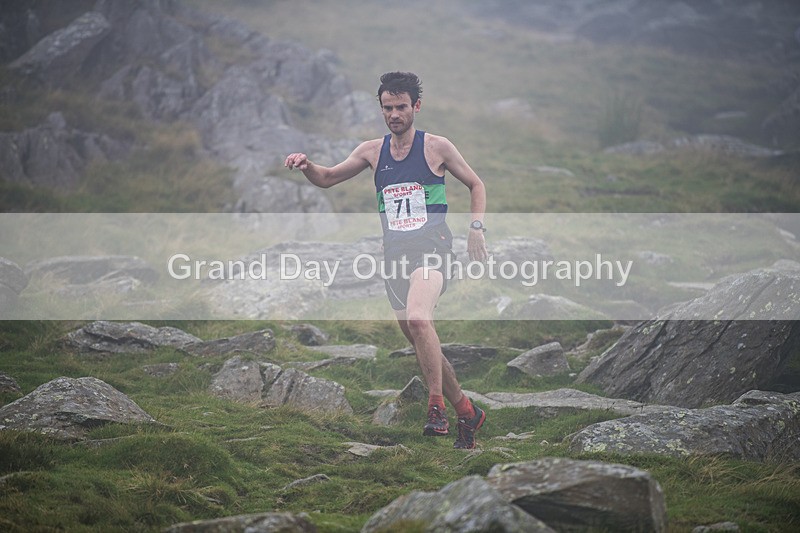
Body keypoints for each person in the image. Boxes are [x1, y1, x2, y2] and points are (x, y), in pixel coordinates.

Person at [285, 71, 488, 449]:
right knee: (419, 337)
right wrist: (306, 165)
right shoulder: (371, 152)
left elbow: (476, 184)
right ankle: (467, 412)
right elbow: (327, 178)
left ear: (416, 107)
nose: (394, 114)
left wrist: (476, 228)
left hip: (433, 248)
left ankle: (435, 408)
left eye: (401, 107)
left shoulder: (437, 148)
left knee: (418, 318)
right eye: (388, 108)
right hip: (394, 257)